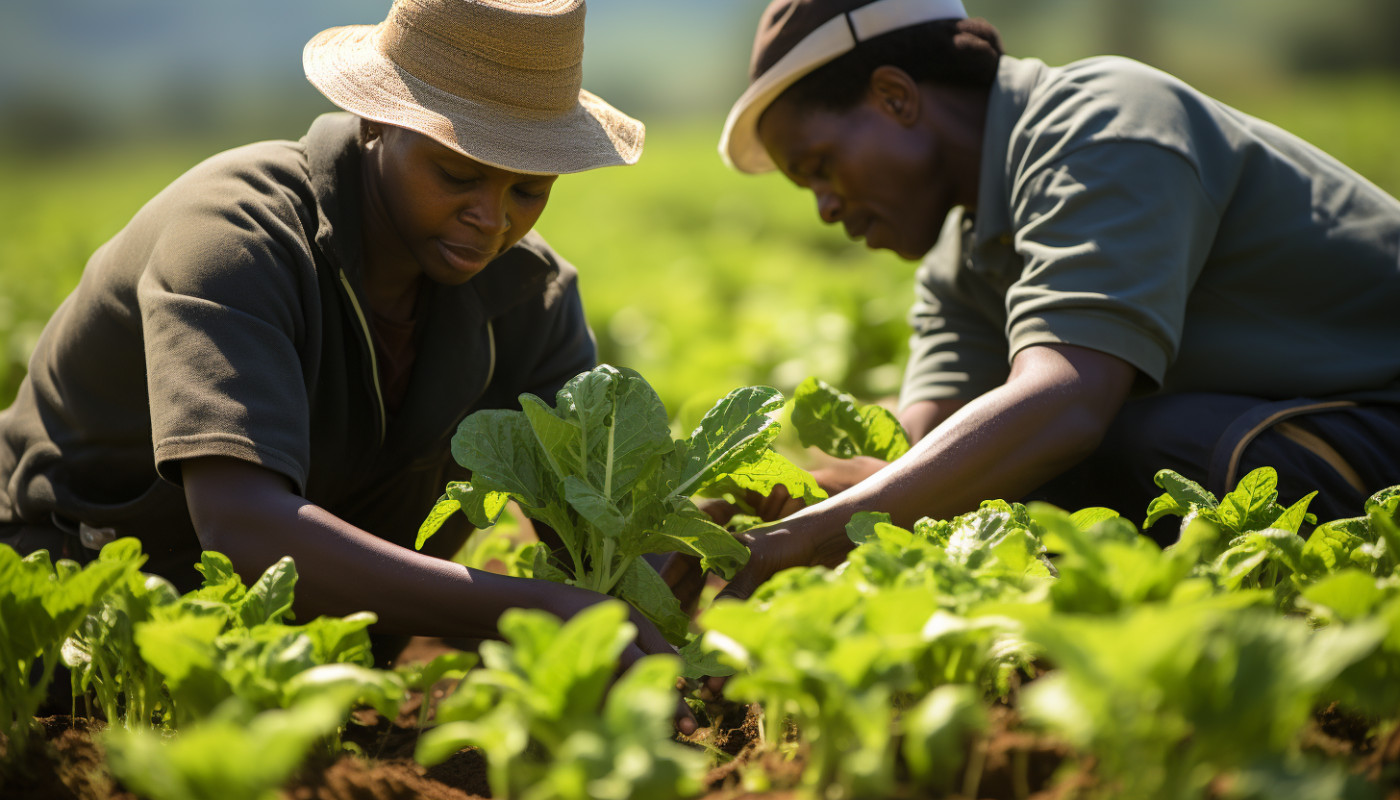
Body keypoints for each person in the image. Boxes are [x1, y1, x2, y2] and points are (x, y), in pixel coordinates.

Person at [0, 0, 690, 720]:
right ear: (378, 123)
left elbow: (601, 539)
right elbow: (243, 526)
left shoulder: (531, 300)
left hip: (315, 672)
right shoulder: (235, 237)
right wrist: (534, 605)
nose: (492, 219)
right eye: (457, 175)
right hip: (79, 633)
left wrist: (679, 601)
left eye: (527, 189)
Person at [707, 0, 1400, 599]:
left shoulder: (1105, 121)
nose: (826, 208)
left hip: (1380, 418)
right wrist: (769, 506)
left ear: (895, 97)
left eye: (821, 167)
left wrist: (809, 539)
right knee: (991, 476)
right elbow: (927, 457)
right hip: (1297, 438)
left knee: (1122, 445)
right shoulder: (962, 259)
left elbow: (1066, 401)